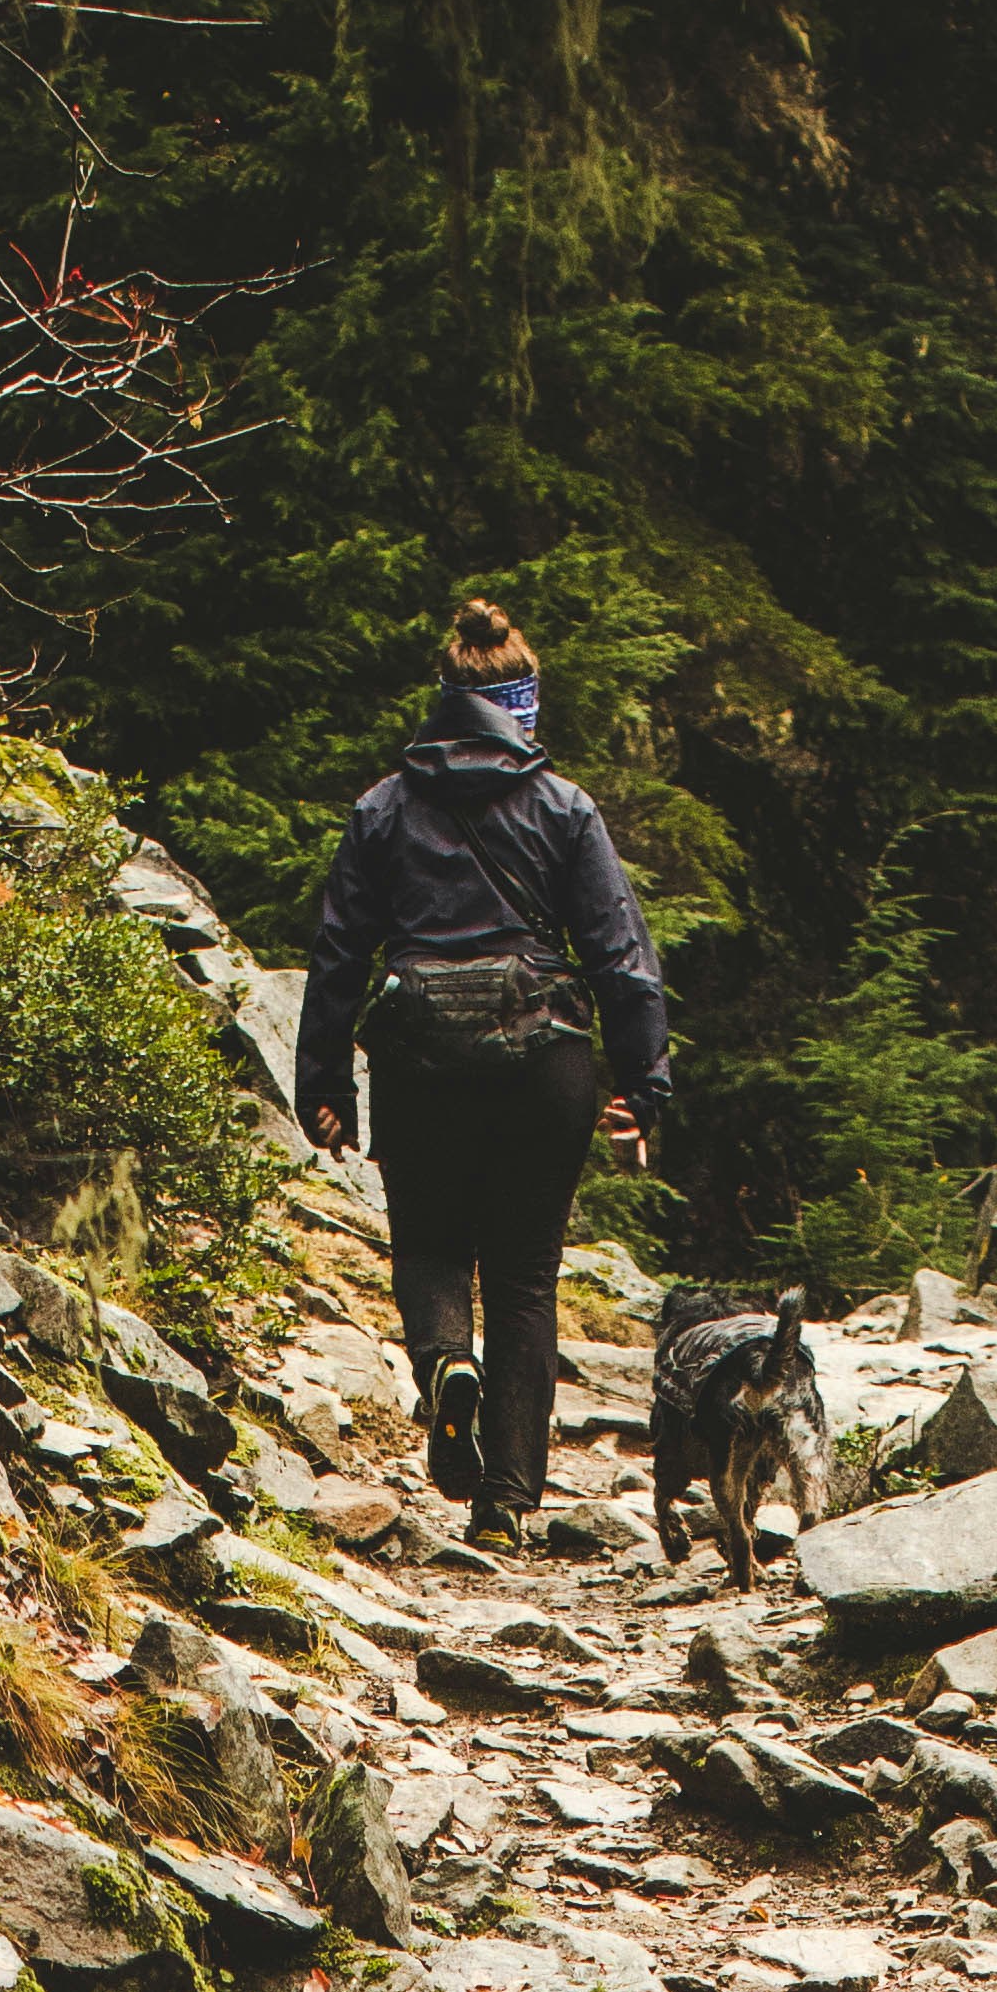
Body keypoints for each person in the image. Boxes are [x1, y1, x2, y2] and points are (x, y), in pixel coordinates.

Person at [291, 597, 665, 1543]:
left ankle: (445, 1363)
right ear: (523, 704)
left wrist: (325, 1085)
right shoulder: (564, 807)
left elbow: (339, 955)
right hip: (546, 1064)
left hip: (421, 1064)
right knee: (527, 1273)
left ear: (446, 700)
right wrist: (642, 1087)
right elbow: (621, 957)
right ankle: (504, 1503)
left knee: (427, 1245)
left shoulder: (383, 807)